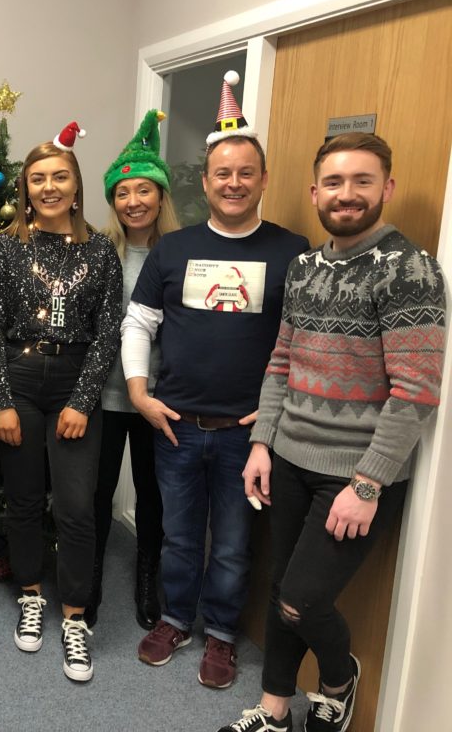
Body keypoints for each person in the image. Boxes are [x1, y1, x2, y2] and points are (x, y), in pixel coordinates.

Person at [219, 133, 445, 732]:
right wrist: (262, 443)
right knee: (279, 589)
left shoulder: (410, 269)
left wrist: (367, 484)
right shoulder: (303, 268)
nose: (347, 194)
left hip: (355, 474)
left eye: (362, 181)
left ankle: (340, 683)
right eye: (335, 183)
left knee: (303, 600)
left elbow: (417, 391)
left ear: (386, 188)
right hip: (288, 458)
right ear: (315, 191)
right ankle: (273, 711)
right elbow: (281, 362)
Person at [122, 72, 310, 690]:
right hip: (175, 425)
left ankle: (223, 635)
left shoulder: (293, 252)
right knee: (179, 537)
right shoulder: (172, 249)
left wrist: (277, 411)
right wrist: (139, 393)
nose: (233, 183)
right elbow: (139, 322)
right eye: (222, 173)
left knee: (231, 543)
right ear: (204, 182)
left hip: (246, 436)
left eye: (245, 173)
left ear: (263, 179)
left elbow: (305, 340)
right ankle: (176, 619)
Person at [0, 122, 122, 682]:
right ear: (25, 189)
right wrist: (0, 400)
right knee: (22, 501)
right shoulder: (6, 248)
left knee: (76, 506)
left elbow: (107, 332)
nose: (49, 187)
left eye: (59, 177)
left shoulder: (101, 250)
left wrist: (83, 400)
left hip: (73, 383)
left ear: (76, 184)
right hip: (18, 379)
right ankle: (31, 595)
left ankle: (75, 617)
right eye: (37, 179)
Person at [89, 110, 178, 630]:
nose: (133, 201)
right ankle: (90, 580)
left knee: (152, 493)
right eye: (122, 193)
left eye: (143, 190)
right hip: (103, 395)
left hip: (160, 397)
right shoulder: (101, 251)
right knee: (97, 492)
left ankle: (148, 578)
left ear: (160, 196)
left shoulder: (181, 252)